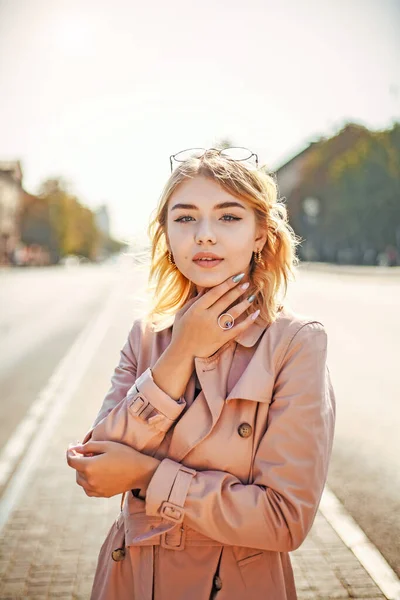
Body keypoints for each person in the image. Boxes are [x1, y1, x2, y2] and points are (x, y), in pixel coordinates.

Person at [66, 147, 336, 600]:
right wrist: (182, 349)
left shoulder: (295, 343)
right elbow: (96, 469)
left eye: (228, 218)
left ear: (260, 234)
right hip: (130, 580)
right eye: (186, 218)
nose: (204, 236)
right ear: (167, 235)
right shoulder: (147, 335)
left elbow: (283, 519)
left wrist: (148, 477)